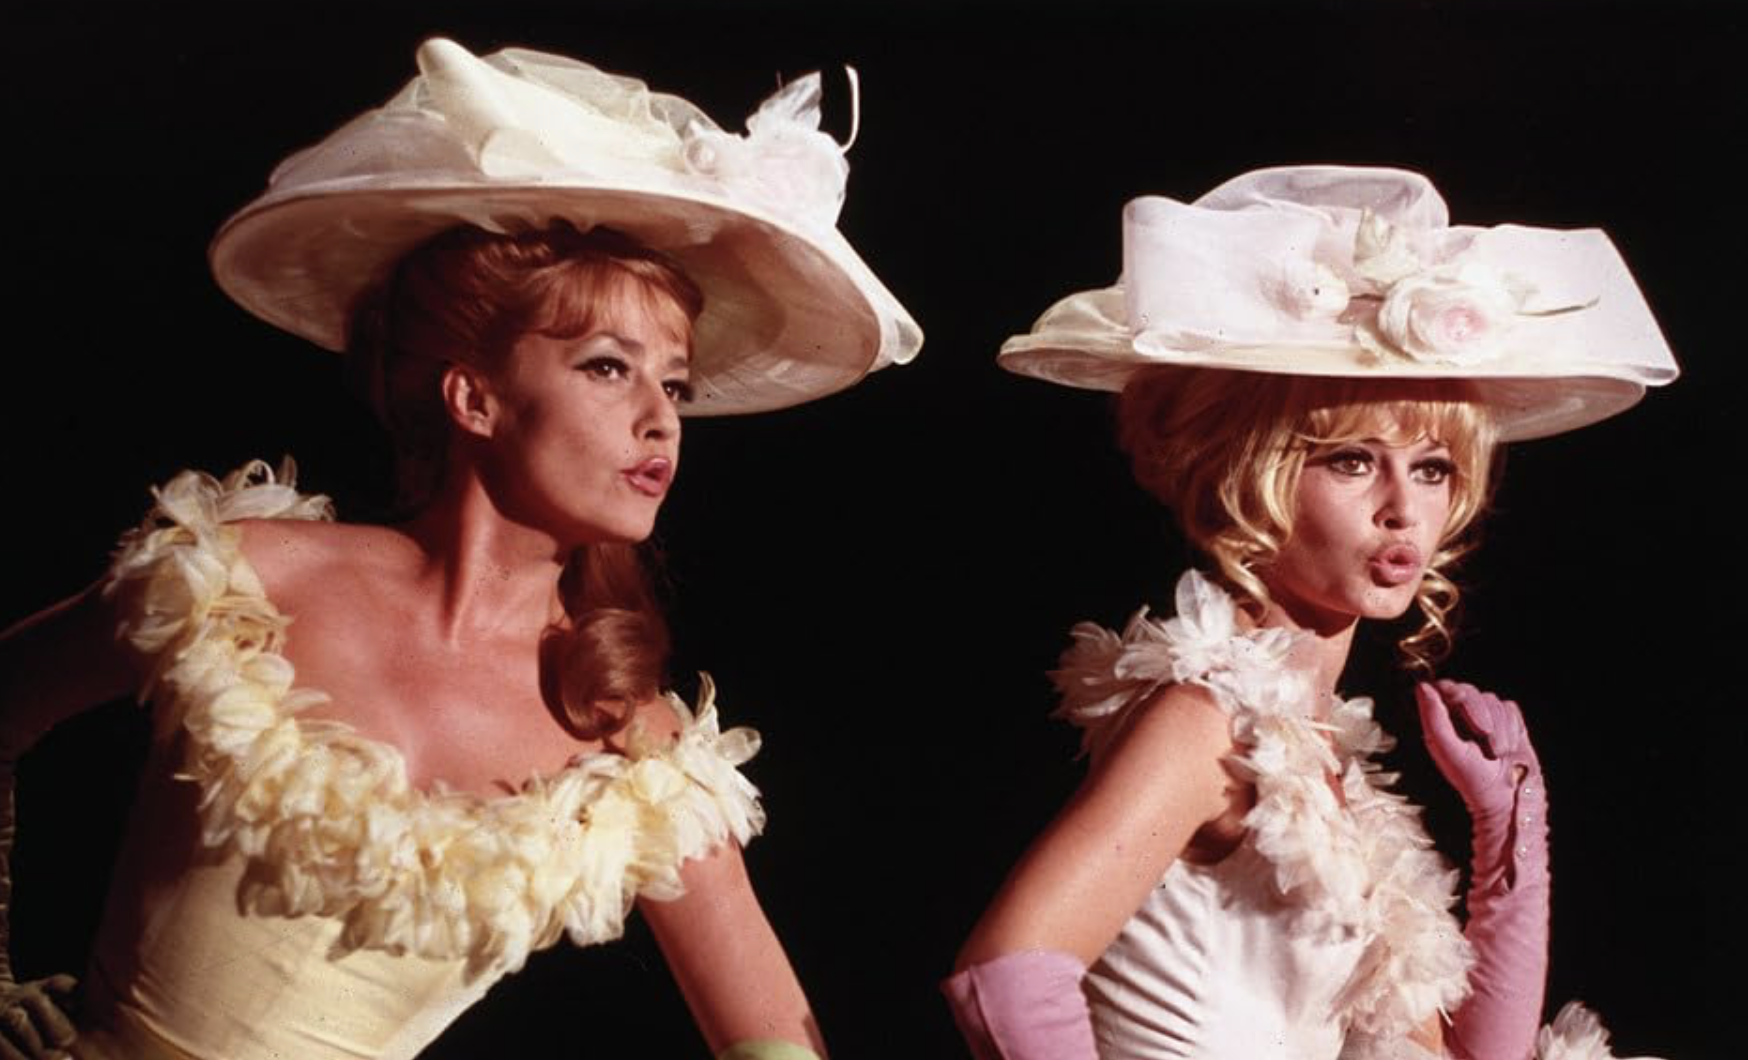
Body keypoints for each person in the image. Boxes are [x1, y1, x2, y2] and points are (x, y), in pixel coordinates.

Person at [0, 39, 919, 1060]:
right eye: (608, 368)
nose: (661, 418)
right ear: (472, 397)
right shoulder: (245, 582)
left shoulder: (627, 735)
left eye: (675, 384)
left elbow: (777, 1041)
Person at [944, 167, 1675, 1059]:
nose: (1403, 511)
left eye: (1433, 469)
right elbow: (1007, 973)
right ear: (1248, 474)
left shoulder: (1327, 769)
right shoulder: (1204, 721)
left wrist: (1512, 832)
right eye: (1351, 461)